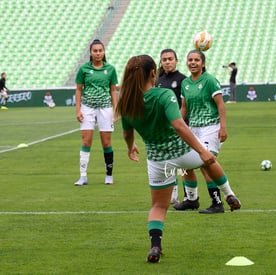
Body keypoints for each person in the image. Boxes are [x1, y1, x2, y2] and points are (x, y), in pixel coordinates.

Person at [116, 55, 241, 263]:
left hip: (158, 161)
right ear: (153, 73)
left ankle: (155, 246)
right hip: (183, 152)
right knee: (210, 162)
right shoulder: (164, 95)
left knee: (158, 207)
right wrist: (201, 150)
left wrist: (130, 148)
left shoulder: (127, 103)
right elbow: (179, 125)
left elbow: (127, 134)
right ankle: (229, 194)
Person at [177, 50, 234, 214]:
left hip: (211, 126)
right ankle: (191, 200)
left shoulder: (209, 80)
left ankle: (218, 203)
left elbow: (220, 105)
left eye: (196, 60)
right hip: (193, 128)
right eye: (190, 60)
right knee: (185, 163)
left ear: (202, 63)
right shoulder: (185, 83)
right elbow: (184, 108)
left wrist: (223, 127)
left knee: (205, 163)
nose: (193, 63)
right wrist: (177, 125)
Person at [74, 39, 118, 186]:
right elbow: (79, 89)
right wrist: (78, 109)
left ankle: (109, 175)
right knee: (86, 141)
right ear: (91, 53)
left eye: (100, 50)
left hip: (105, 108)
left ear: (103, 52)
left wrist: (115, 110)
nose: (98, 53)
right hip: (87, 107)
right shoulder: (83, 69)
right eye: (95, 51)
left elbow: (113, 90)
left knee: (106, 143)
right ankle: (83, 176)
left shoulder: (110, 69)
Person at [156, 49, 187, 204]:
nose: (167, 62)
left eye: (170, 59)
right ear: (161, 62)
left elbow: (186, 104)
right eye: (164, 59)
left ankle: (189, 194)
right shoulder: (159, 81)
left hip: (181, 126)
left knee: (183, 162)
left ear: (176, 60)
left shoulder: (183, 80)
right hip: (164, 128)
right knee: (169, 161)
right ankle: (173, 194)